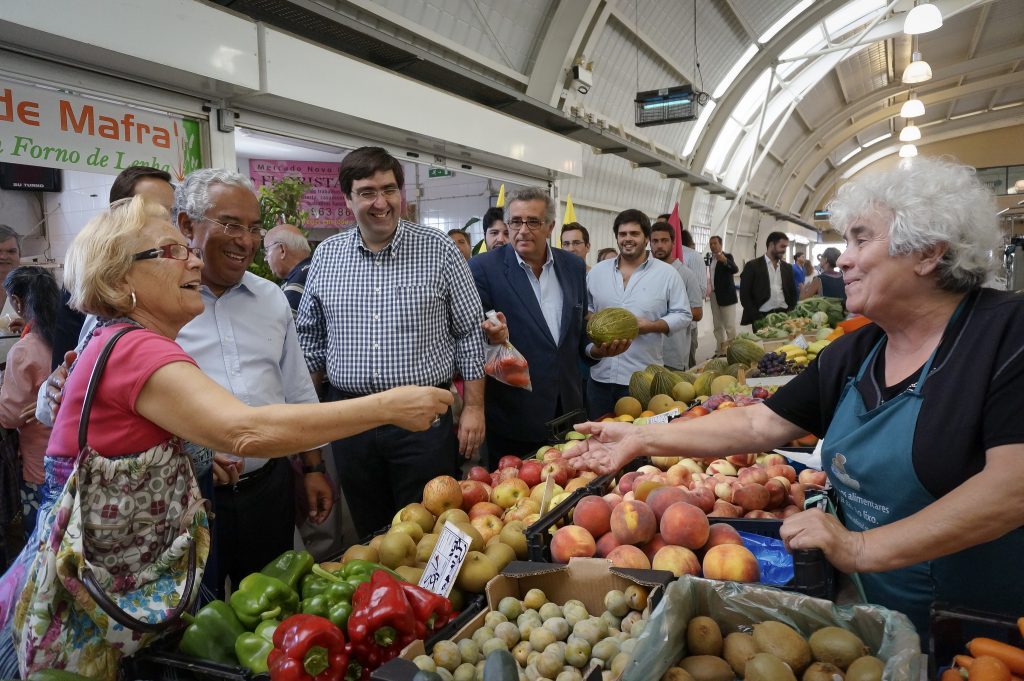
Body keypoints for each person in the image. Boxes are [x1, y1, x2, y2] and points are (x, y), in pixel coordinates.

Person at [564, 157, 1024, 638]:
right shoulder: (858, 351)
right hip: (873, 616)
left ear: (928, 253)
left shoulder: (1006, 337)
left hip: (980, 630)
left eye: (861, 239)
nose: (842, 259)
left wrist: (861, 549)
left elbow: (1012, 487)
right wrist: (640, 438)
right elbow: (758, 424)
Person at [0, 196, 451, 678]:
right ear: (120, 277)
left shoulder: (120, 339)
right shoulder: (136, 349)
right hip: (102, 608)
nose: (194, 257)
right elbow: (246, 430)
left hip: (117, 598)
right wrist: (387, 407)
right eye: (172, 251)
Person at [296, 146, 486, 538]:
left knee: (430, 527)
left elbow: (469, 330)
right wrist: (303, 424)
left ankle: (432, 599)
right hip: (351, 417)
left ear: (402, 193)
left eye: (389, 189)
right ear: (348, 199)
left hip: (422, 418)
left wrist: (474, 409)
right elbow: (310, 341)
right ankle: (384, 597)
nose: (381, 202)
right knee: (370, 530)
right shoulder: (327, 256)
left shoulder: (439, 250)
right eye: (367, 192)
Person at [174, 168, 333, 594]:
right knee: (196, 618)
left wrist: (314, 468)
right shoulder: (160, 304)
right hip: (189, 500)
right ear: (187, 226)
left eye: (253, 228)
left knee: (271, 611)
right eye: (230, 225)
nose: (245, 241)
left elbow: (297, 390)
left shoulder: (271, 298)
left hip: (268, 490)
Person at [469, 189, 624, 465]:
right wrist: (493, 337)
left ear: (551, 227)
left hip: (569, 412)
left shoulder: (573, 267)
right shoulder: (483, 268)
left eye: (533, 222)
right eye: (515, 222)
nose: (523, 230)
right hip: (514, 415)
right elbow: (471, 339)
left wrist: (596, 350)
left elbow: (575, 339)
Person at [49, 166, 175, 370]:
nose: (168, 221)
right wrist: (58, 379)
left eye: (171, 211)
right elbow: (64, 363)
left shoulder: (188, 270)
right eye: (154, 211)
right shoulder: (90, 281)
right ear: (119, 213)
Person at [585, 210, 690, 417]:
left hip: (642, 379)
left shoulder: (667, 274)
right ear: (616, 237)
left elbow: (683, 314)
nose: (628, 239)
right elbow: (586, 309)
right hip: (599, 377)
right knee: (598, 438)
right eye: (622, 234)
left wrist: (651, 326)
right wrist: (594, 322)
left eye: (634, 233)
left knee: (641, 443)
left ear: (646, 238)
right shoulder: (597, 272)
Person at [0, 267, 57, 538]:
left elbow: (9, 416)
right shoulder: (68, 333)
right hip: (74, 459)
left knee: (41, 538)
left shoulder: (24, 351)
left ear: (19, 302)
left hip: (39, 465)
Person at [650, 222, 703, 370]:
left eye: (664, 240)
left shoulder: (686, 274)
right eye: (655, 241)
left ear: (673, 243)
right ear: (649, 243)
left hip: (673, 355)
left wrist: (668, 315)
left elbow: (698, 313)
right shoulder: (643, 272)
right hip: (647, 354)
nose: (659, 245)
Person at [739, 231, 797, 327]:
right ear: (771, 245)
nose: (784, 250)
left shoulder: (787, 267)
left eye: (786, 247)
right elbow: (745, 296)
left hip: (784, 316)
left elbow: (793, 292)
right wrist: (757, 317)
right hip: (762, 316)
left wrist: (790, 311)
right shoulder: (752, 266)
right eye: (782, 246)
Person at [264, 224, 312, 314]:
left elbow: (281, 326)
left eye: (266, 251)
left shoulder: (296, 285)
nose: (265, 259)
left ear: (282, 250)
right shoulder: (315, 270)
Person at [706, 235, 739, 355]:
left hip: (727, 296)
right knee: (717, 325)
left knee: (729, 326)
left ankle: (733, 350)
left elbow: (735, 269)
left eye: (715, 243)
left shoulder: (728, 256)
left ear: (720, 244)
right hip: (714, 296)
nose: (713, 246)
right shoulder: (709, 259)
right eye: (711, 244)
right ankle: (720, 350)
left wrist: (724, 260)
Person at [679, 229, 706, 367]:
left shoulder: (692, 256)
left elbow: (701, 290)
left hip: (687, 325)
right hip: (660, 330)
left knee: (686, 367)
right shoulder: (653, 260)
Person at [0, 226, 22, 369]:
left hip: (19, 370)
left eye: (11, 251)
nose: (3, 256)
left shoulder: (32, 289)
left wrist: (32, 327)